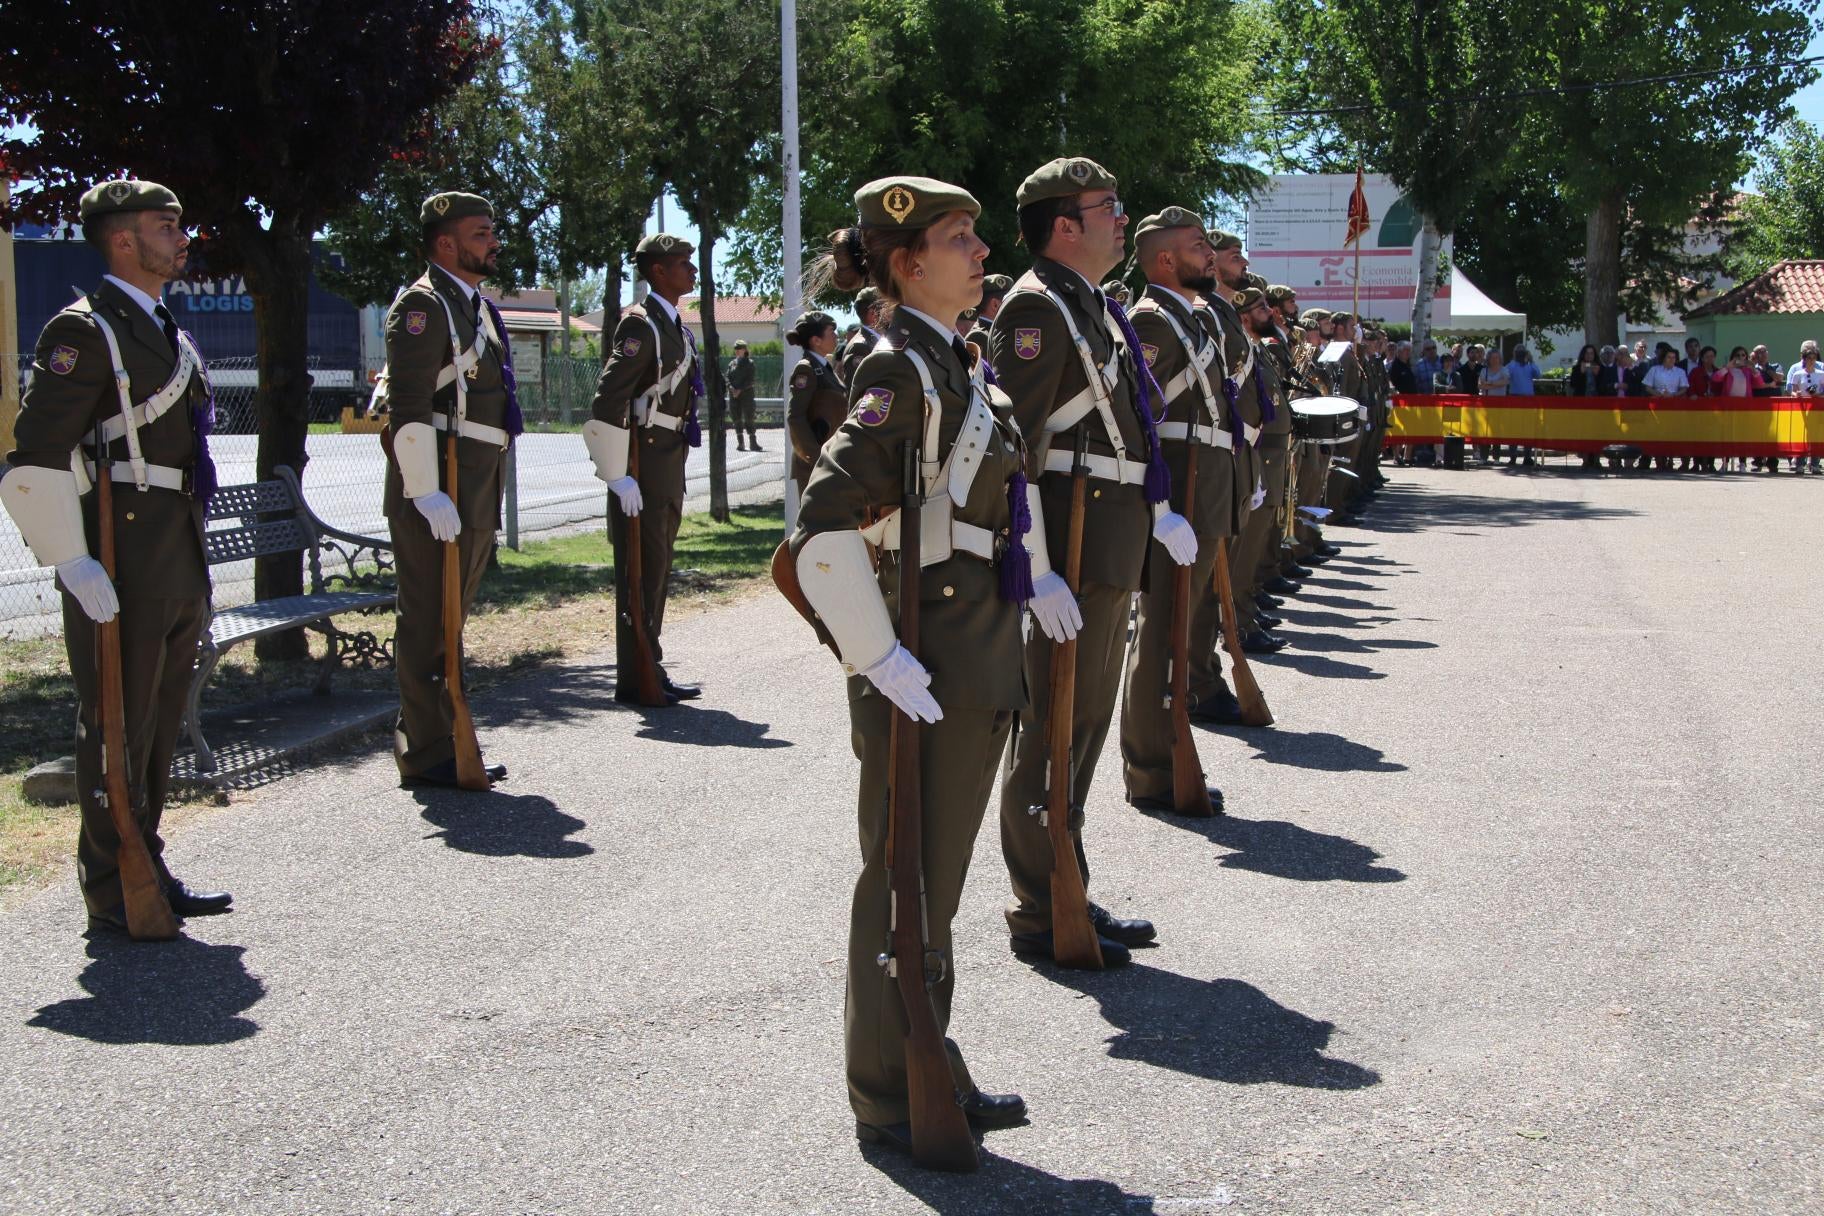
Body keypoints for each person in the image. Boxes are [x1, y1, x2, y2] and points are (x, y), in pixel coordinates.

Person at [789, 174, 1046, 1158]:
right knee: (903, 876)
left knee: (934, 879)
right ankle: (889, 1086)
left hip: (969, 644)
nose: (982, 254)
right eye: (960, 239)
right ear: (907, 263)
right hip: (926, 652)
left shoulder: (957, 365)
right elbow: (820, 532)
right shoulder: (900, 369)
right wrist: (877, 653)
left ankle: (926, 1048)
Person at [1, 178, 232, 935]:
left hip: (174, 541)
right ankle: (111, 883)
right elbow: (33, 457)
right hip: (121, 547)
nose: (182, 237)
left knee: (159, 721)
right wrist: (71, 559)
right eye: (167, 226)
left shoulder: (163, 326)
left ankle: (146, 860)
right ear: (123, 240)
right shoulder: (85, 330)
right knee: (116, 720)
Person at [991, 156, 1181, 968]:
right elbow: (1010, 448)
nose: (1119, 218)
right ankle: (1040, 904)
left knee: (1085, 724)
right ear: (1063, 225)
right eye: (1109, 207)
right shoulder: (1037, 309)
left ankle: (1065, 876)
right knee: (1052, 727)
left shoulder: (1090, 307)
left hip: (1104, 541)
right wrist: (1030, 565)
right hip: (1067, 543)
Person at [380, 191, 519, 788]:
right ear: (446, 243)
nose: (493, 242)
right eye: (481, 233)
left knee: (451, 617)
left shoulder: (473, 306)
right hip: (441, 483)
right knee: (427, 619)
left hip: (475, 481)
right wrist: (424, 489)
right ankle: (426, 748)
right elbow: (407, 406)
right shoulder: (424, 305)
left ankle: (444, 734)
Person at [1120, 208, 1243, 814]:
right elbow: (1138, 417)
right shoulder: (1153, 323)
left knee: (1183, 624)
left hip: (1208, 485)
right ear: (1166, 259)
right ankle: (1151, 766)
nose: (1210, 256)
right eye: (1198, 247)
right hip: (1180, 489)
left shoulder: (1189, 320)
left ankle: (1167, 753)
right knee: (1162, 627)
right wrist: (1160, 506)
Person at [584, 232, 704, 705]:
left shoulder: (673, 323)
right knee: (641, 569)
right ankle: (637, 675)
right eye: (682, 264)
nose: (692, 272)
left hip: (666, 457)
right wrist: (616, 473)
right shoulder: (641, 325)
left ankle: (647, 666)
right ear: (658, 271)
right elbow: (607, 400)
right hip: (644, 458)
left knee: (656, 568)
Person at [783, 311, 847, 486]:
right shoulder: (807, 369)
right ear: (816, 340)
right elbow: (795, 417)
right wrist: (816, 457)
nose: (836, 335)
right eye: (831, 331)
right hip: (816, 465)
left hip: (830, 459)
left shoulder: (824, 367)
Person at [1785, 340, 1824, 473]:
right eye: (1809, 358)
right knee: (1801, 435)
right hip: (1801, 407)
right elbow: (1792, 390)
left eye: (1814, 358)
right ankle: (1799, 463)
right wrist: (1797, 394)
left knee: (1815, 435)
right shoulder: (1797, 373)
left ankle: (1814, 463)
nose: (1812, 361)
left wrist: (1818, 394)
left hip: (1816, 407)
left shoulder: (1821, 373)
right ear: (1804, 359)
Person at [838, 286, 886, 384]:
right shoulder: (860, 347)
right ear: (873, 314)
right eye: (887, 307)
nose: (892, 312)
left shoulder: (876, 341)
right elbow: (858, 392)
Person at [724, 340, 759, 451]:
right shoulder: (732, 364)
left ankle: (753, 443)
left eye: (739, 349)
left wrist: (740, 389)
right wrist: (731, 388)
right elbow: (727, 378)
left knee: (749, 418)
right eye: (736, 349)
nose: (737, 351)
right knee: (736, 418)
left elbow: (751, 380)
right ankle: (741, 443)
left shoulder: (750, 363)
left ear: (745, 350)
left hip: (747, 395)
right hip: (734, 396)